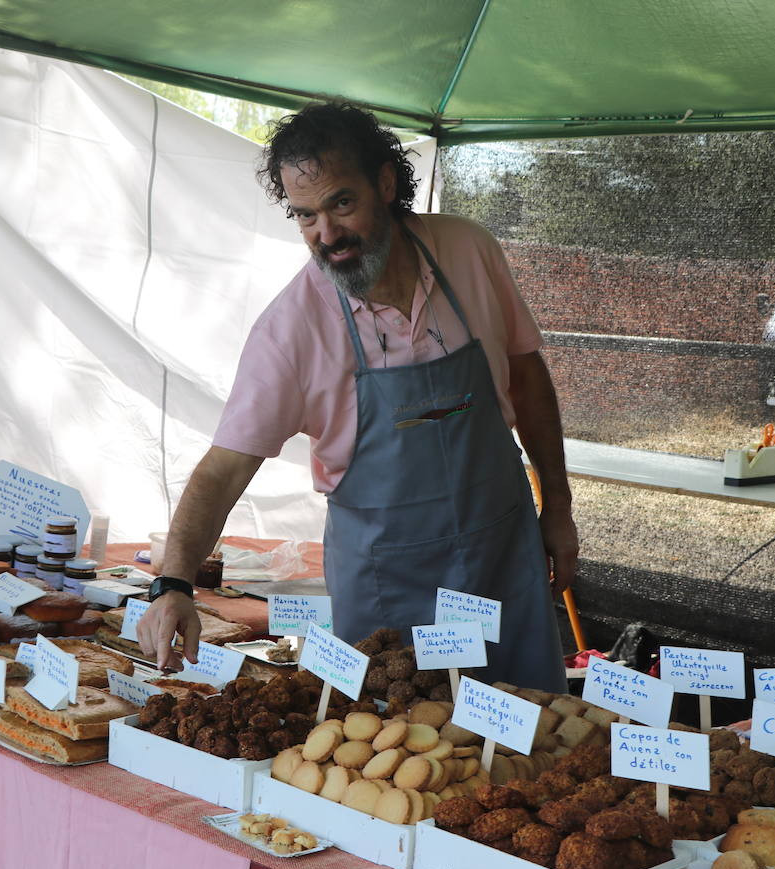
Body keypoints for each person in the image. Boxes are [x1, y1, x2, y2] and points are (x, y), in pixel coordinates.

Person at [137, 101, 577, 693]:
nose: (327, 235)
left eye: (341, 203)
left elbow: (526, 375)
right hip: (389, 588)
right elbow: (223, 467)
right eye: (305, 216)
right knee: (399, 758)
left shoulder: (468, 250)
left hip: (502, 555)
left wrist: (560, 508)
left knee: (528, 741)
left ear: (386, 184)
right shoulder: (290, 329)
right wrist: (173, 585)